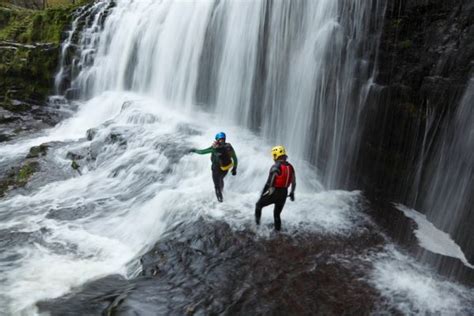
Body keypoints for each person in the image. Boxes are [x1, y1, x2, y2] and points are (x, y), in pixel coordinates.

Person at [255, 145, 296, 231]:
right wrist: (292, 193)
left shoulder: (276, 166)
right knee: (277, 214)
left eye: (274, 155)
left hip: (275, 192)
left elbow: (269, 182)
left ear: (276, 155)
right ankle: (278, 231)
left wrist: (263, 193)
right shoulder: (291, 167)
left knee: (258, 205)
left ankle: (257, 226)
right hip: (284, 193)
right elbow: (293, 182)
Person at [190, 132, 238, 202]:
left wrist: (194, 150)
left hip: (216, 169)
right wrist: (234, 168)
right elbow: (235, 158)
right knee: (221, 179)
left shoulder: (214, 148)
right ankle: (222, 192)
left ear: (217, 139)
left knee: (216, 186)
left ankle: (220, 202)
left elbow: (202, 152)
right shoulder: (229, 147)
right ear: (224, 139)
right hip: (225, 168)